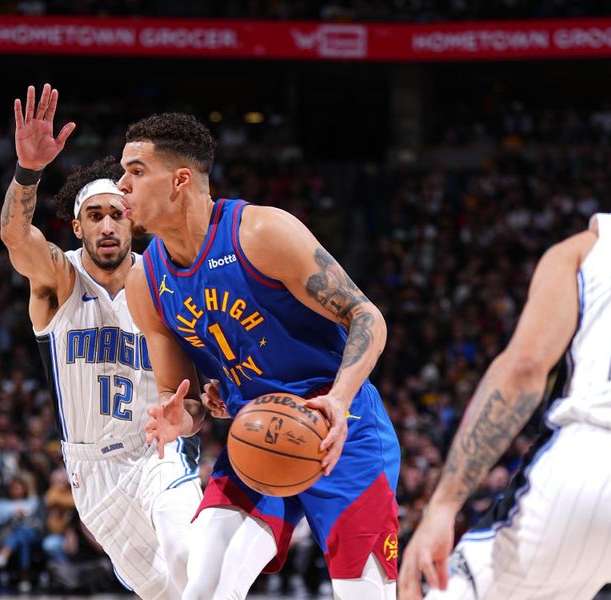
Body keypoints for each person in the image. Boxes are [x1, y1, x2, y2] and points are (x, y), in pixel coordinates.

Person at [117, 112, 400, 600]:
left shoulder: (260, 233)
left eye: (136, 171)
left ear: (180, 180)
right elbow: (182, 399)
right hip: (259, 436)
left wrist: (339, 398)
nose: (121, 184)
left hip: (340, 428)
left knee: (365, 595)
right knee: (203, 584)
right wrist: (179, 419)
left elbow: (366, 317)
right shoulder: (146, 282)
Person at [397, 134, 611, 599]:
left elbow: (524, 369)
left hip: (579, 468)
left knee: (451, 589)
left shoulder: (582, 252)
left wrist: (444, 505)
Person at [0, 84, 204, 599]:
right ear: (77, 227)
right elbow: (15, 238)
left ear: (132, 221)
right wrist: (28, 171)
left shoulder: (163, 280)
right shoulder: (59, 280)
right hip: (91, 472)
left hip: (157, 448)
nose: (109, 225)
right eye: (96, 216)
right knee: (165, 590)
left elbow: (193, 385)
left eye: (117, 214)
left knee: (190, 554)